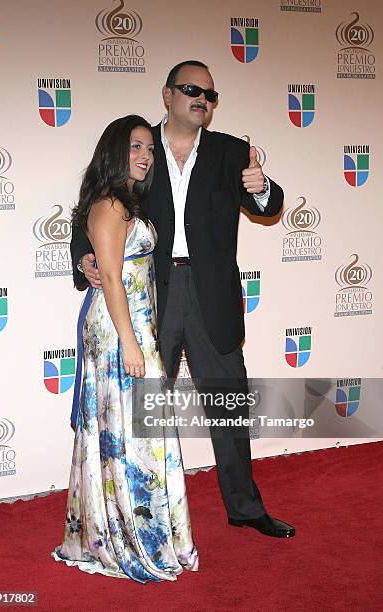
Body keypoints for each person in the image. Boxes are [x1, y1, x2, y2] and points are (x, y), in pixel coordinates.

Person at [71, 61, 295, 539]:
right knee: (143, 409)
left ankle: (245, 507)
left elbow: (271, 205)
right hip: (153, 295)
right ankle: (139, 514)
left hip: (212, 296)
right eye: (193, 90)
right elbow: (92, 201)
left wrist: (261, 190)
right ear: (167, 94)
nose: (203, 100)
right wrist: (84, 256)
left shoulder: (233, 152)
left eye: (211, 95)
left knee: (229, 404)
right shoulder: (138, 147)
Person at [53, 115, 199, 582]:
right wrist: (132, 345)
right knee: (126, 434)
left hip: (135, 327)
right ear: (115, 152)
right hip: (120, 332)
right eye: (135, 147)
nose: (144, 156)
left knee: (140, 433)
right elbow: (112, 278)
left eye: (149, 150)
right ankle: (129, 539)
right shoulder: (110, 205)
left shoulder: (128, 203)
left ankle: (145, 531)